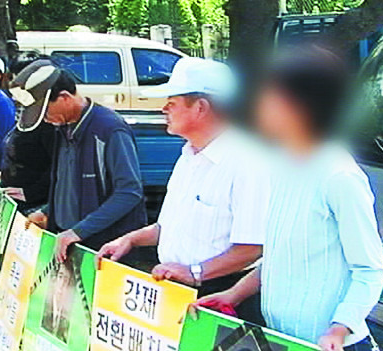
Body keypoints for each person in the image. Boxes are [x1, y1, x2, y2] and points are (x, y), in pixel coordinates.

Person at [195, 46, 383, 351]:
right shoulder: (281, 164)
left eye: (267, 95)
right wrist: (233, 295)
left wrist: (339, 328)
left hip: (330, 348)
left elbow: (369, 269)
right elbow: (281, 258)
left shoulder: (339, 176)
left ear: (301, 104)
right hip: (282, 342)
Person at [96, 57, 269, 324]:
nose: (164, 108)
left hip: (222, 297)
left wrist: (196, 272)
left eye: (172, 102)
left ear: (200, 107)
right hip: (178, 289)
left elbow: (253, 246)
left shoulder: (248, 162)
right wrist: (129, 240)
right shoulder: (188, 155)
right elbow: (168, 226)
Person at [9, 59, 147, 263]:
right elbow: (68, 186)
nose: (44, 119)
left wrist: (79, 231)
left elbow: (129, 192)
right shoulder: (62, 127)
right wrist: (47, 212)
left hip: (104, 251)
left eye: (45, 111)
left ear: (65, 97)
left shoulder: (109, 129)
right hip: (70, 243)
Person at [0, 53, 55, 215]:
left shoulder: (50, 120)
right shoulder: (25, 110)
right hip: (14, 199)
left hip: (35, 207)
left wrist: (31, 193)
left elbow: (57, 167)